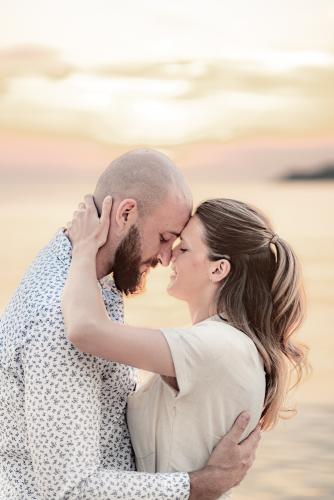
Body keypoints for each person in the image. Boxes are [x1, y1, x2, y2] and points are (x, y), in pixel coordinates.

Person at [0, 149, 260, 500]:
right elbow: (69, 491)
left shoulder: (92, 280)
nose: (166, 257)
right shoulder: (58, 322)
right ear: (126, 214)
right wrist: (200, 484)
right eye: (166, 238)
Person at [61, 189, 308, 497]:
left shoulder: (218, 346)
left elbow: (86, 329)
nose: (168, 257)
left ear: (218, 269)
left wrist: (84, 249)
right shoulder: (223, 346)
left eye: (184, 249)